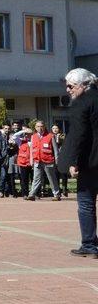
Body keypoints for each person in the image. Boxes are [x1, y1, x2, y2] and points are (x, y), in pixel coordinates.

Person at [58, 68, 98, 257]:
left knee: (86, 202)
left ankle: (89, 244)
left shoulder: (82, 103)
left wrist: (73, 161)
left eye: (71, 86)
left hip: (89, 162)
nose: (68, 90)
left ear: (83, 85)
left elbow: (79, 136)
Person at [26, 121, 61, 201]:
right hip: (37, 161)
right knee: (36, 178)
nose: (40, 128)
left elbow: (55, 150)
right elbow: (31, 149)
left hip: (48, 161)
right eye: (38, 126)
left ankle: (56, 194)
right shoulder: (33, 136)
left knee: (51, 178)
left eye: (41, 126)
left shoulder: (50, 136)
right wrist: (31, 160)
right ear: (35, 128)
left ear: (44, 127)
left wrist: (57, 161)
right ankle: (32, 194)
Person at [0, 124, 14, 198]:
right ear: (3, 129)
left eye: (8, 128)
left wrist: (11, 145)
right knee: (3, 175)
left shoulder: (11, 138)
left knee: (9, 176)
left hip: (10, 159)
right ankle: (0, 191)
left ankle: (7, 191)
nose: (7, 130)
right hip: (2, 160)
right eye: (5, 128)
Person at [51, 124, 68, 197]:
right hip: (54, 158)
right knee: (55, 174)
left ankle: (64, 188)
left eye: (56, 128)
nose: (55, 129)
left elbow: (61, 143)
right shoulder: (50, 136)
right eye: (53, 128)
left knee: (64, 173)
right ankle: (58, 190)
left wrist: (58, 138)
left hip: (62, 156)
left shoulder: (63, 135)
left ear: (59, 129)